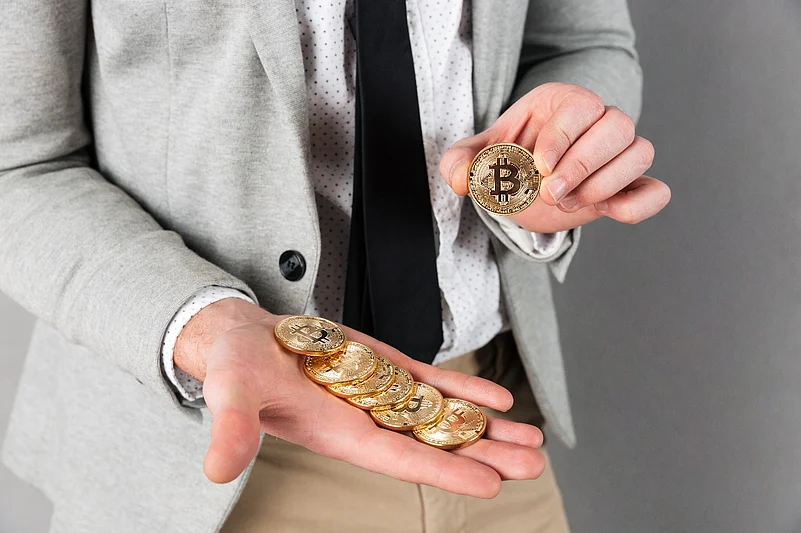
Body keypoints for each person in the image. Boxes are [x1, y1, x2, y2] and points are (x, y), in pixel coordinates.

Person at [0, 0, 669, 531]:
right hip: (211, 463)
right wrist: (208, 327)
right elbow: (20, 164)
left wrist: (556, 159)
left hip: (490, 425)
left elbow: (580, 41)